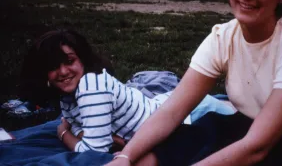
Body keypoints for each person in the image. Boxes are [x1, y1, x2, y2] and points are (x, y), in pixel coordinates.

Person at [105, 0, 282, 165]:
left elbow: (257, 147)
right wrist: (126, 155)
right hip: (246, 125)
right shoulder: (223, 37)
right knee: (191, 135)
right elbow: (171, 111)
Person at [19, 29, 235, 153]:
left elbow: (93, 152)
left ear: (82, 60)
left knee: (247, 117)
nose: (63, 71)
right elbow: (78, 125)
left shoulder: (90, 88)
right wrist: (85, 133)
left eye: (69, 61)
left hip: (188, 115)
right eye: (53, 66)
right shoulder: (69, 93)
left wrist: (63, 134)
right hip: (164, 107)